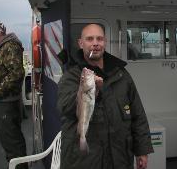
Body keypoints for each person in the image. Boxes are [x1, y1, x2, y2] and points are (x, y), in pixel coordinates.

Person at [57, 23, 153, 169]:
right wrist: (89, 90)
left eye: (99, 39)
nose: (95, 43)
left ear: (105, 42)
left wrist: (142, 150)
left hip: (119, 159)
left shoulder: (121, 74)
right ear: (80, 43)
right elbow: (65, 107)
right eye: (89, 39)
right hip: (84, 161)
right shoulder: (71, 76)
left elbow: (138, 114)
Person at [0, 21, 28, 169]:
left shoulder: (10, 46)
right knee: (9, 139)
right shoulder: (3, 46)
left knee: (12, 141)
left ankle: (19, 167)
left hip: (7, 103)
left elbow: (17, 74)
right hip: (4, 102)